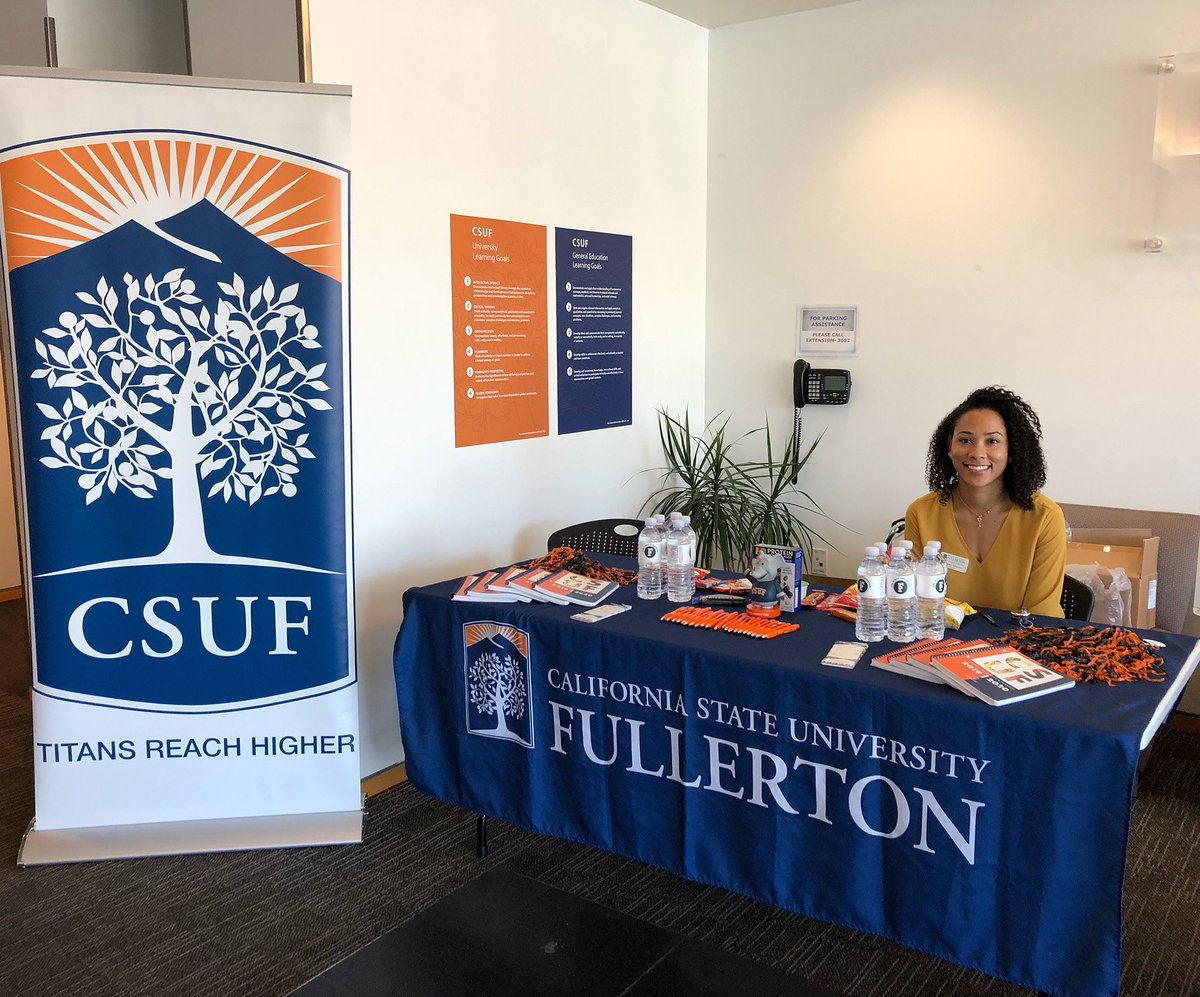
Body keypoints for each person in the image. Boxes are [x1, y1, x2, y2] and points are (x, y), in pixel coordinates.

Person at [904, 386, 1066, 617]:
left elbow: (1041, 617)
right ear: (949, 446)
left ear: (1012, 450)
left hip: (1016, 648)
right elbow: (918, 604)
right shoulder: (921, 513)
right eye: (965, 440)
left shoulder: (1045, 517)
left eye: (992, 441)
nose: (977, 453)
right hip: (941, 645)